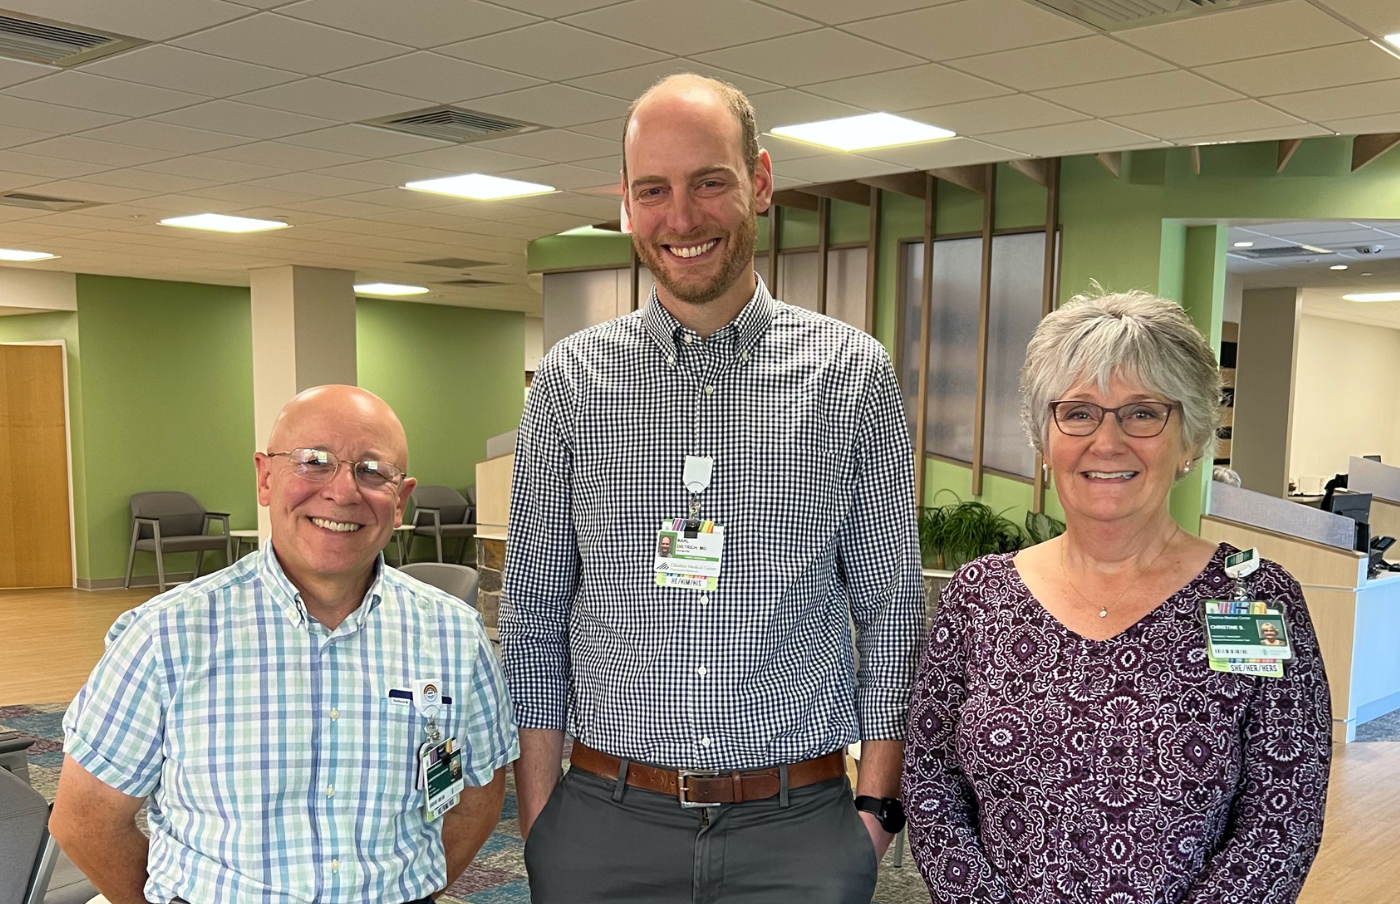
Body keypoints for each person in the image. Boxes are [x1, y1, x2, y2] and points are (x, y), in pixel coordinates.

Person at [501, 73, 924, 904]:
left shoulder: (850, 374)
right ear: (626, 203)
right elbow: (534, 610)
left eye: (709, 182)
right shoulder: (569, 383)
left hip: (795, 827)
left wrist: (873, 808)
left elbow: (891, 604)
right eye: (652, 190)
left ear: (759, 182)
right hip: (604, 821)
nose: (681, 218)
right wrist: (544, 816)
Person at [903, 291, 1332, 904]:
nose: (1107, 441)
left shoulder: (1253, 600)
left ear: (1190, 439)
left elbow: (1281, 814)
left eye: (1142, 413)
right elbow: (930, 783)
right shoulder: (980, 597)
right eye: (1078, 413)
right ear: (1044, 438)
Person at [51, 385, 518, 904]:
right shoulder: (165, 635)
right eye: (314, 462)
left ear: (401, 499)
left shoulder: (455, 635)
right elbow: (85, 820)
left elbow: (475, 798)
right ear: (265, 477)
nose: (343, 492)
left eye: (371, 470)